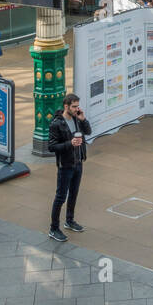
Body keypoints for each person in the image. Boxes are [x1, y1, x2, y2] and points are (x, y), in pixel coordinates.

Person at [46, 93, 91, 242]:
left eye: (77, 106)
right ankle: (53, 228)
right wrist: (69, 144)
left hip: (78, 162)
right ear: (66, 106)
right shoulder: (57, 123)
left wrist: (83, 119)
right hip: (66, 165)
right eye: (74, 106)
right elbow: (51, 146)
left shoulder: (78, 119)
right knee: (60, 197)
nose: (77, 109)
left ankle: (69, 220)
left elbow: (88, 132)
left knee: (74, 193)